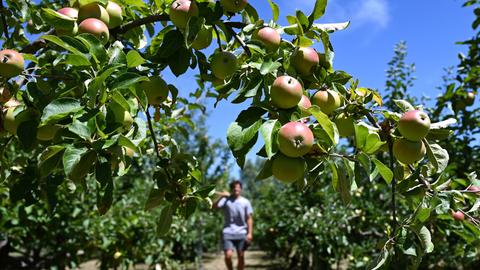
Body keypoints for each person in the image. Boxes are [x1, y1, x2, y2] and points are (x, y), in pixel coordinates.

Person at [213, 180, 253, 270]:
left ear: (241, 189)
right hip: (228, 232)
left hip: (242, 232)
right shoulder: (226, 200)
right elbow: (213, 206)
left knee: (241, 256)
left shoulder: (245, 202)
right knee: (228, 256)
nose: (236, 189)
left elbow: (249, 218)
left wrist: (250, 233)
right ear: (231, 189)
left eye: (238, 187)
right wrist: (221, 196)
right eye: (234, 187)